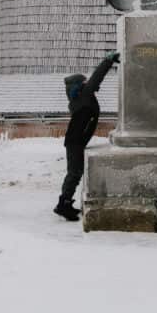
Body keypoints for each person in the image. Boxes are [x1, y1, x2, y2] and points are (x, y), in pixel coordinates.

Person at [55, 50, 120, 221]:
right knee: (74, 173)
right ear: (79, 86)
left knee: (75, 173)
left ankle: (65, 203)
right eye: (83, 83)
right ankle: (63, 205)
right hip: (75, 142)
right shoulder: (83, 97)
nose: (87, 84)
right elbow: (96, 78)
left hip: (76, 142)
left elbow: (93, 84)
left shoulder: (79, 99)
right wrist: (108, 61)